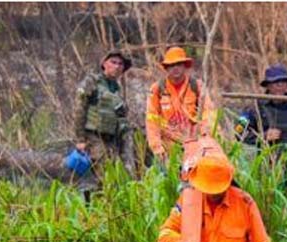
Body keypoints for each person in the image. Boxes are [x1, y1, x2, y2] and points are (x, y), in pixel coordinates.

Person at [234, 63, 287, 210]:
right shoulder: (255, 106)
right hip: (268, 168)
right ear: (268, 86)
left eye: (283, 83)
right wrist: (262, 136)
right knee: (270, 204)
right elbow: (238, 131)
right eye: (276, 83)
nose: (280, 87)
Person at [72, 50, 135, 193]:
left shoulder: (116, 90)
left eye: (120, 64)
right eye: (113, 62)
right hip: (93, 137)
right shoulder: (92, 81)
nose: (117, 66)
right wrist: (80, 139)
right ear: (104, 64)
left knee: (112, 175)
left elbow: (120, 118)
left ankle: (103, 205)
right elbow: (79, 108)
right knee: (105, 175)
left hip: (111, 139)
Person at [146, 46, 217, 163]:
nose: (176, 68)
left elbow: (208, 113)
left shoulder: (197, 86)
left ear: (185, 66)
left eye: (179, 64)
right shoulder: (157, 89)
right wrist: (156, 147)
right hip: (169, 146)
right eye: (172, 65)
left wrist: (207, 138)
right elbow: (151, 120)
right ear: (167, 68)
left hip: (194, 143)